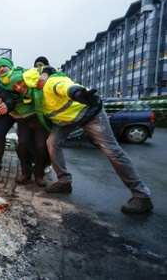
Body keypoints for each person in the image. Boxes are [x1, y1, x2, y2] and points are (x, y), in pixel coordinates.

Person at [19, 66, 154, 214]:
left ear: (31, 83)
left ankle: (141, 195)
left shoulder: (49, 84)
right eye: (17, 86)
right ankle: (64, 181)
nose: (19, 88)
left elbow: (65, 87)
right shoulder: (34, 97)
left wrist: (76, 93)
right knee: (52, 142)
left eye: (22, 85)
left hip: (90, 113)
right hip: (67, 121)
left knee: (112, 151)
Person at [0, 57, 50, 187]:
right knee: (22, 146)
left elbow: (39, 85)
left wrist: (26, 91)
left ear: (10, 67)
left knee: (41, 147)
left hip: (36, 116)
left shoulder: (23, 74)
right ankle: (26, 172)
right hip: (22, 120)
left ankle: (39, 174)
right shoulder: (0, 85)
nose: (1, 69)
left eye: (4, 66)